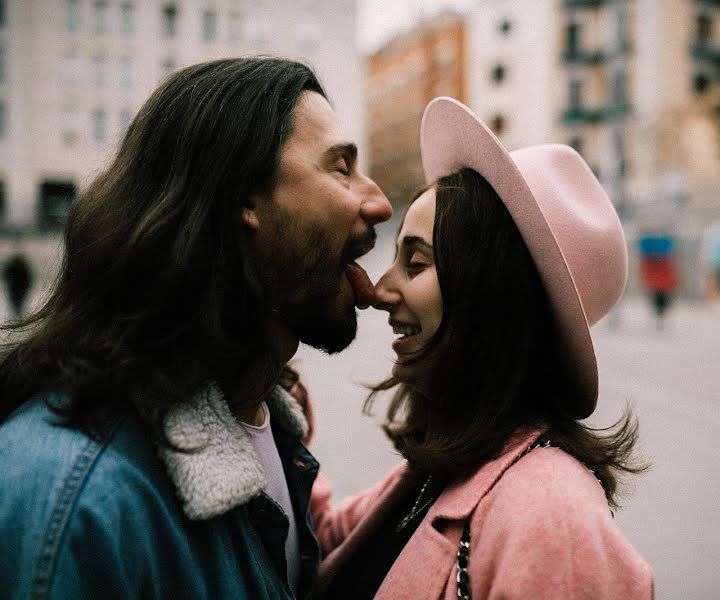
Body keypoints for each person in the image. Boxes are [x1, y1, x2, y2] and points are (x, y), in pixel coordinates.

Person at [0, 58, 392, 600]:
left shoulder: (266, 427)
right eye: (341, 169)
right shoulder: (75, 496)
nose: (379, 202)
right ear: (242, 199)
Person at [310, 98, 653, 599]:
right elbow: (323, 539)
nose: (380, 290)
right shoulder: (442, 470)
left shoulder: (549, 515)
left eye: (417, 263)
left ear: (489, 294)